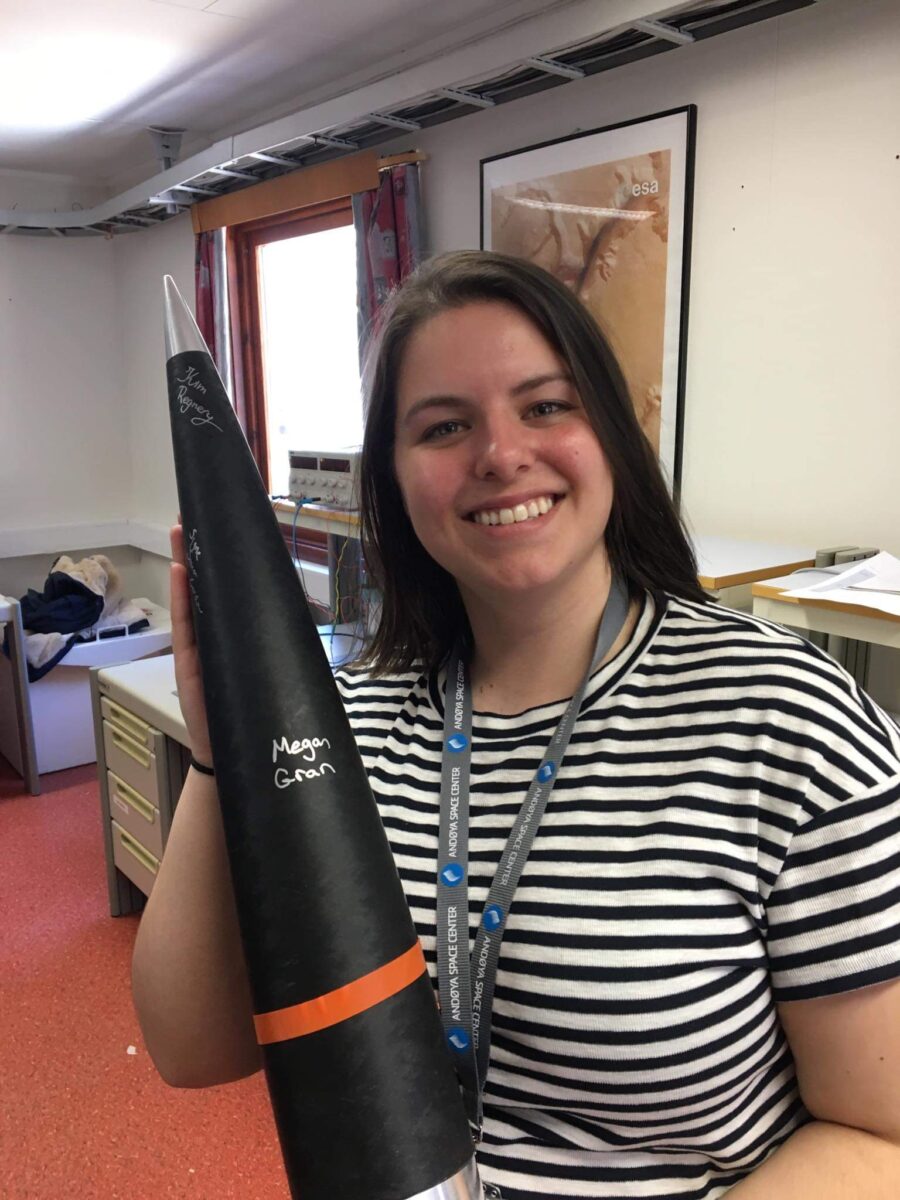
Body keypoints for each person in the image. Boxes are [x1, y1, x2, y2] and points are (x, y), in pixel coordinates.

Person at [133, 250, 900, 1199]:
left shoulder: (786, 720)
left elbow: (884, 1136)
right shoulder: (350, 729)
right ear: (396, 481)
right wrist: (223, 753)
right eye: (445, 425)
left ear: (611, 435)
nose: (500, 453)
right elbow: (193, 1049)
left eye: (545, 406)